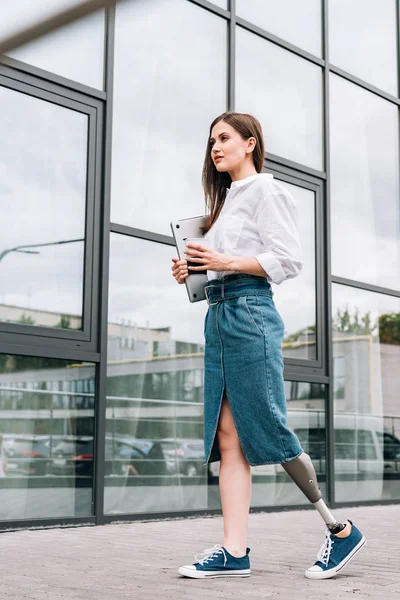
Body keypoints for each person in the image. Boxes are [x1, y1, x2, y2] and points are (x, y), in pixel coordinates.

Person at [171, 111, 366, 580]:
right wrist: (193, 273)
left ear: (250, 142)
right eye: (211, 141)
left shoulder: (266, 191)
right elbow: (222, 264)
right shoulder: (222, 205)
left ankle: (340, 530)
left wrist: (225, 260)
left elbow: (288, 259)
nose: (215, 147)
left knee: (269, 427)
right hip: (218, 315)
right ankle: (234, 551)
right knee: (228, 437)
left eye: (224, 138)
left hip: (250, 314)